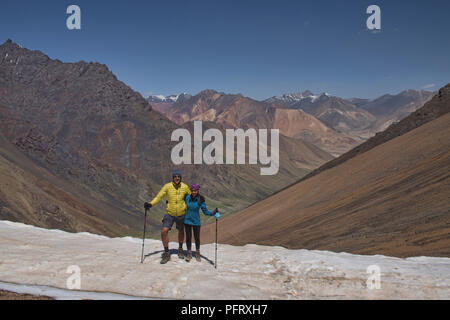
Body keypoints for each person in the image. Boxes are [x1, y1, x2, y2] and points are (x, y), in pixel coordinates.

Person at [144, 170, 191, 264]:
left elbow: (191, 197)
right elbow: (159, 197)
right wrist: (150, 204)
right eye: (175, 176)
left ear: (180, 178)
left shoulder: (185, 187)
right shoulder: (167, 186)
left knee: (181, 231)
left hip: (182, 213)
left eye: (178, 176)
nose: (177, 178)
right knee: (164, 231)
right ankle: (166, 252)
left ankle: (180, 248)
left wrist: (199, 203)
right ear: (173, 178)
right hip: (169, 213)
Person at [183, 184, 220, 262]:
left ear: (198, 191)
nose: (194, 192)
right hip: (187, 221)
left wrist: (213, 213)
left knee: (197, 238)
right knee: (188, 238)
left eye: (195, 190)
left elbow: (205, 211)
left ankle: (197, 253)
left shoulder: (200, 200)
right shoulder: (187, 198)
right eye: (192, 190)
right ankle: (189, 253)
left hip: (196, 222)